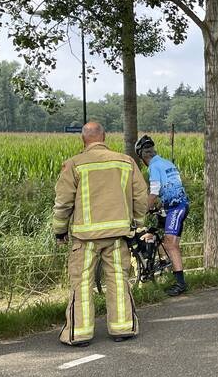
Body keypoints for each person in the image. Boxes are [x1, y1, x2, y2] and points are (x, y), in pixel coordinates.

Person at [53, 122, 148, 346]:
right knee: (118, 280)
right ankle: (122, 328)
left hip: (85, 238)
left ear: (83, 139)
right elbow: (140, 197)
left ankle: (79, 333)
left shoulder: (74, 164)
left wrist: (59, 230)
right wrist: (138, 224)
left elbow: (63, 202)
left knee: (81, 283)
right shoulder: (125, 162)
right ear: (104, 137)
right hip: (117, 236)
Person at [135, 135, 190, 297]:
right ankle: (171, 271)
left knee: (170, 244)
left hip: (175, 208)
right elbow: (172, 186)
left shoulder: (153, 166)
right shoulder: (166, 163)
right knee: (168, 241)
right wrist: (160, 206)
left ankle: (180, 284)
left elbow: (153, 192)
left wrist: (144, 210)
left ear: (143, 157)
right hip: (179, 205)